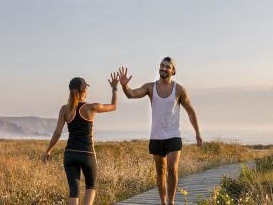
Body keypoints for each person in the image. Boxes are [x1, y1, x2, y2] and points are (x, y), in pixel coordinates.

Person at [118, 57, 203, 205]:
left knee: (172, 169)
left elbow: (191, 111)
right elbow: (131, 94)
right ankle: (163, 202)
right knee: (160, 171)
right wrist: (125, 86)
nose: (164, 69)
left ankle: (171, 202)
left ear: (173, 71)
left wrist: (197, 133)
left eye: (167, 67)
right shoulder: (150, 87)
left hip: (173, 135)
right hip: (156, 136)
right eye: (162, 66)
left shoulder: (179, 89)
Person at [42, 73, 119, 205]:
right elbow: (113, 106)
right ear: (84, 90)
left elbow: (57, 133)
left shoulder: (65, 110)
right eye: (87, 88)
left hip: (70, 154)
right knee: (90, 186)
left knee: (74, 191)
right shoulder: (91, 108)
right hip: (87, 154)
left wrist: (47, 150)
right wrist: (114, 88)